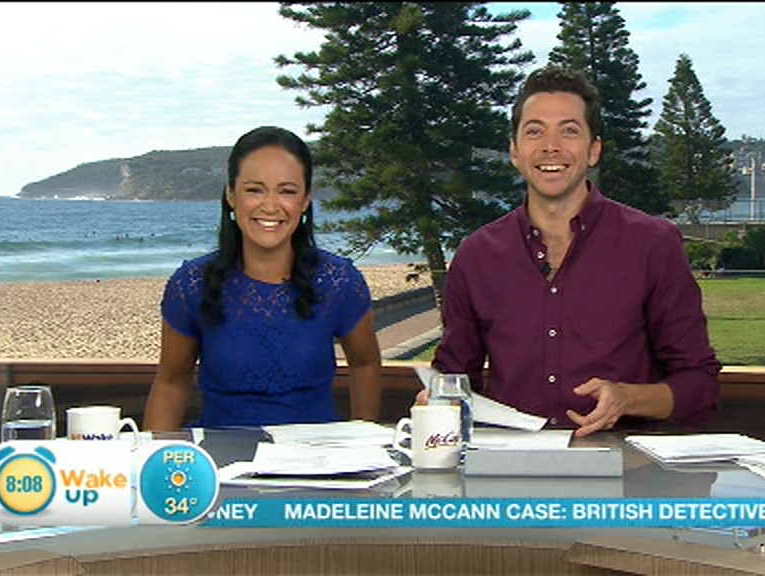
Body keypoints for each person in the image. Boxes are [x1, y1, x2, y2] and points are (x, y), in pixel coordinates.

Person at [425, 67, 721, 437]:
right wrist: (439, 400)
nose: (551, 146)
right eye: (535, 131)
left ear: (594, 150)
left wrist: (628, 398)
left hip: (622, 466)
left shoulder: (653, 244)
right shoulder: (476, 256)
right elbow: (454, 378)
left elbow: (701, 387)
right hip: (510, 467)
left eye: (569, 131)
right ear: (514, 151)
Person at [144, 126, 381, 430]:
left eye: (287, 191)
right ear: (231, 195)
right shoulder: (191, 284)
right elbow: (172, 382)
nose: (270, 206)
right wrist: (153, 455)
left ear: (305, 201)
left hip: (317, 456)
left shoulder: (339, 281)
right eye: (255, 190)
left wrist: (362, 441)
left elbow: (365, 364)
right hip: (220, 454)